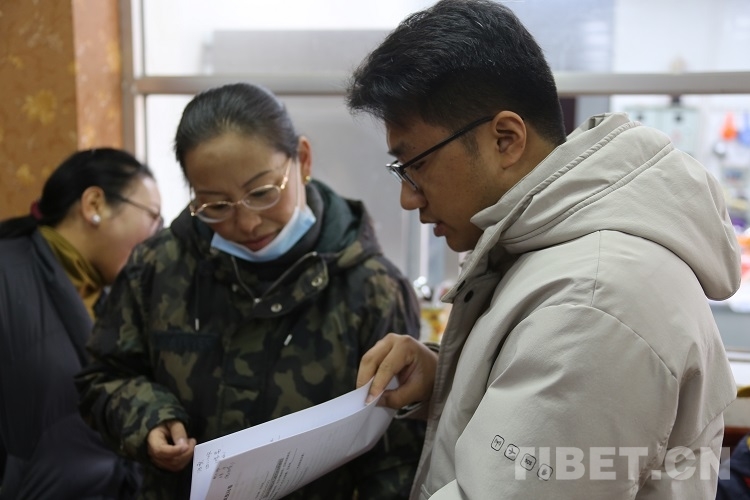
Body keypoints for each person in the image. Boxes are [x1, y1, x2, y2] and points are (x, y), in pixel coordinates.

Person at [346, 0, 742, 498]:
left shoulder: (594, 302)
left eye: (415, 165)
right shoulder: (553, 254)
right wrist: (444, 378)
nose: (408, 199)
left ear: (506, 139)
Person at [76, 82, 425, 499]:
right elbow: (103, 376)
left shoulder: (371, 289)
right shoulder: (157, 268)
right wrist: (148, 419)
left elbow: (395, 457)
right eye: (216, 206)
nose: (247, 223)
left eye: (262, 193)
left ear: (303, 160)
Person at [0, 148, 162, 499]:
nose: (156, 236)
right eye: (153, 217)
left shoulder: (109, 299)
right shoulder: (7, 275)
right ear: (94, 205)